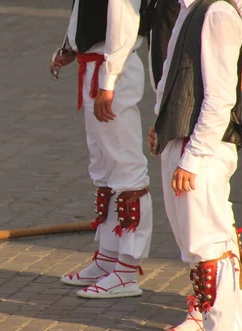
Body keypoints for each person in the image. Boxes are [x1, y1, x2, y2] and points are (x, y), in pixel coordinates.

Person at [147, 0, 242, 331]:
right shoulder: (190, 10)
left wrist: (194, 156)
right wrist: (160, 120)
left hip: (201, 145)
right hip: (183, 137)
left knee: (209, 245)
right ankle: (219, 329)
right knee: (197, 244)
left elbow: (218, 99)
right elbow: (171, 69)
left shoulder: (217, 13)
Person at [51, 0, 153, 299]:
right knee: (104, 168)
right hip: (93, 64)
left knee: (126, 170)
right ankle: (109, 255)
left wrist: (108, 82)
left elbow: (123, 24)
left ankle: (127, 269)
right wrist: (69, 47)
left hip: (112, 69)